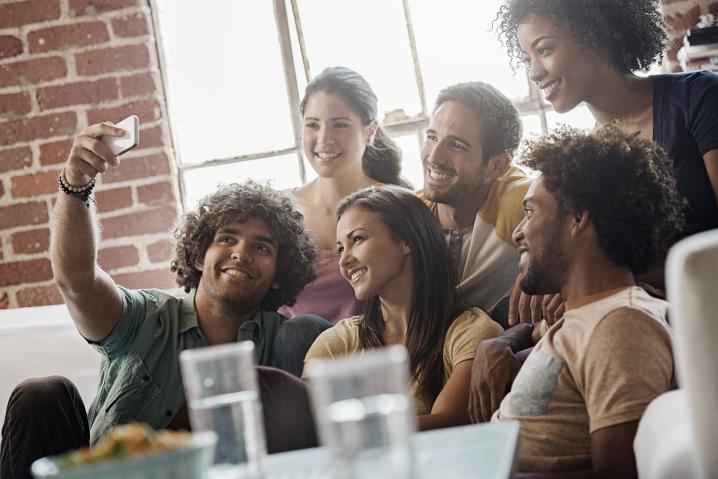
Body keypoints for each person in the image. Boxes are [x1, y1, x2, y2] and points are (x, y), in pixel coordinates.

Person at [0, 123, 330, 478]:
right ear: (200, 255)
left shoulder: (288, 343)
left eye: (261, 247)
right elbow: (76, 281)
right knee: (43, 394)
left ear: (280, 273)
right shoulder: (145, 316)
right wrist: (76, 183)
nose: (241, 253)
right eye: (228, 238)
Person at [471, 125, 684, 477]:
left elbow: (619, 473)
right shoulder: (585, 317)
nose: (517, 231)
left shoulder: (621, 325)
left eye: (530, 211)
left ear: (577, 219)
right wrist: (503, 341)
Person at [496, 0, 718, 241]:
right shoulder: (587, 161)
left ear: (596, 35)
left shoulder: (699, 97)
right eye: (528, 58)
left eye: (544, 50)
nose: (534, 72)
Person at [305, 185, 504, 430]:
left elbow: (447, 423)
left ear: (406, 241)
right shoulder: (337, 341)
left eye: (357, 239)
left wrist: (352, 433)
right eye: (339, 249)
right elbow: (305, 426)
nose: (344, 260)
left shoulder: (471, 332)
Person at [279, 66, 409, 324]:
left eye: (339, 125)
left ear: (370, 131)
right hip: (295, 357)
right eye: (313, 125)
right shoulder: (278, 212)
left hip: (376, 352)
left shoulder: (400, 206)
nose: (324, 138)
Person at [416, 81, 532, 319]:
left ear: (497, 165)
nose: (435, 156)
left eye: (456, 145)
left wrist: (546, 263)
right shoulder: (407, 216)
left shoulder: (523, 201)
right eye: (431, 137)